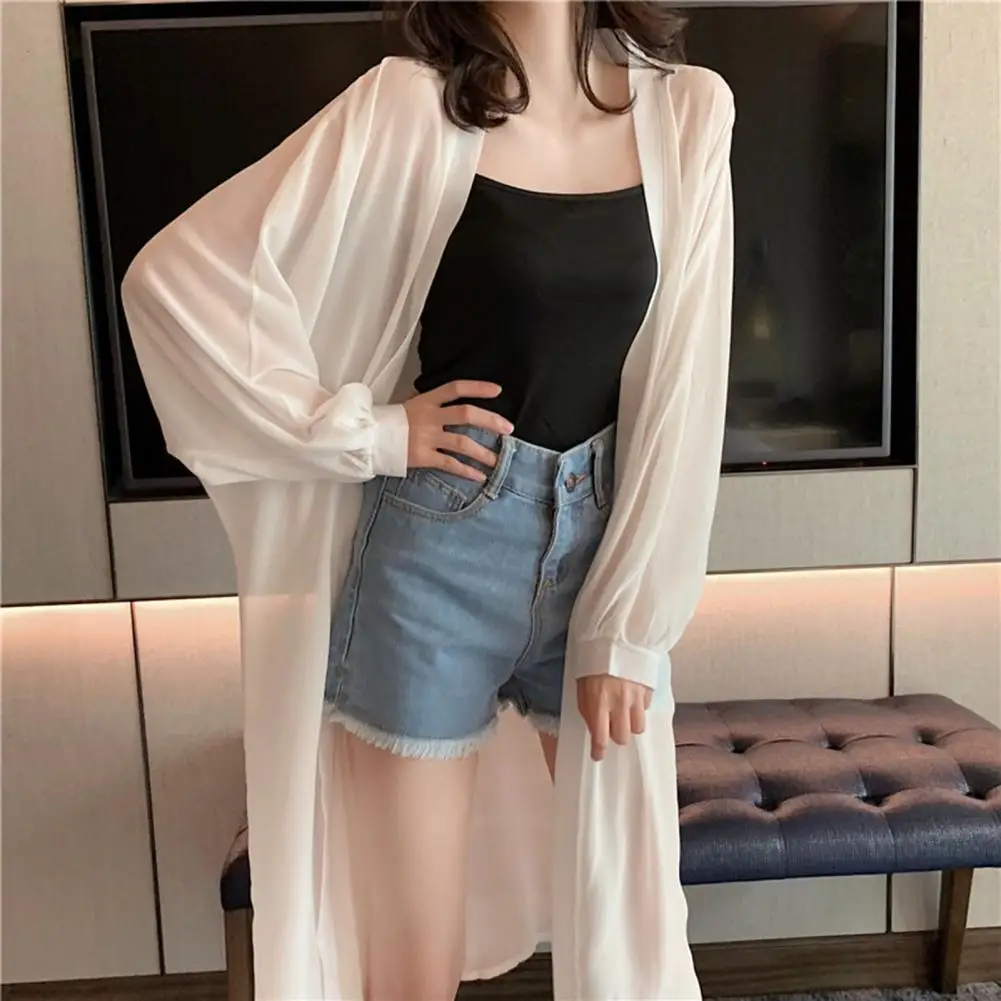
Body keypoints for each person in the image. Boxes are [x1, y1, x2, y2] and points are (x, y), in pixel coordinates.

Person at [121, 3, 735, 999]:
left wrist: (629, 624)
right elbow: (175, 281)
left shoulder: (689, 112)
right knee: (410, 972)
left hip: (601, 552)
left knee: (629, 936)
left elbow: (682, 386)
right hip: (433, 553)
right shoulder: (406, 105)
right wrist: (366, 431)